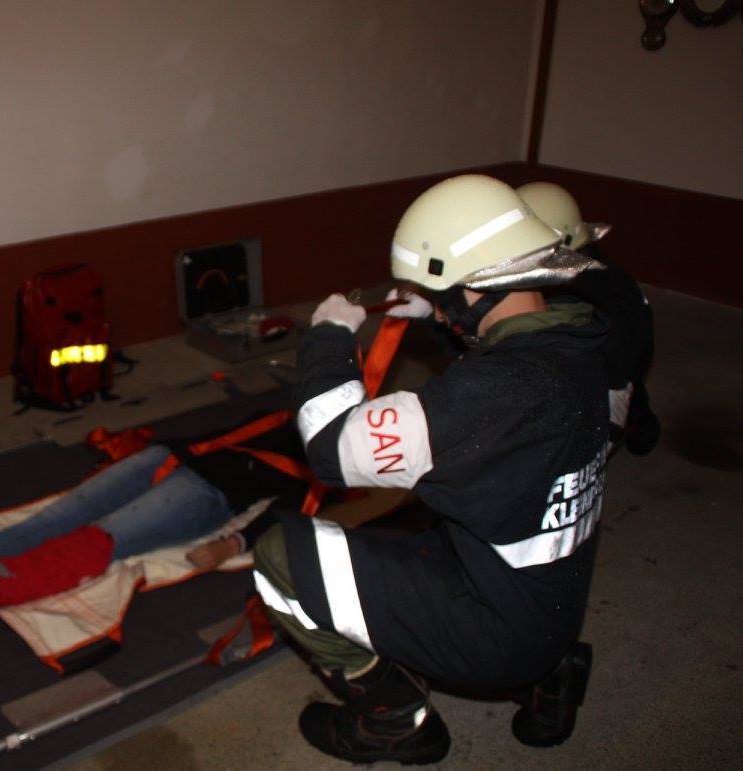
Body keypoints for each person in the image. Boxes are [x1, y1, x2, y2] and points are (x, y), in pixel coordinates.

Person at [252, 174, 611, 764]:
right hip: (551, 605)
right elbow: (507, 358)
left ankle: (397, 720)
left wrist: (328, 340)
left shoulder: (485, 402)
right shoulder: (581, 341)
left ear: (471, 288)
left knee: (279, 554)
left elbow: (329, 448)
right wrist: (440, 315)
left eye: (441, 295)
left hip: (496, 634)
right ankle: (555, 676)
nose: (439, 310)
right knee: (425, 529)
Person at [0, 415, 311, 626]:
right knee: (64, 513)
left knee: (101, 538)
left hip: (208, 496)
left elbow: (293, 509)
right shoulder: (296, 410)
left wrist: (233, 543)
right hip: (174, 457)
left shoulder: (327, 454)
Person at [516, 181, 660, 454]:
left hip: (614, 367)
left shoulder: (600, 290)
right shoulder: (575, 270)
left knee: (584, 449)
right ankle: (640, 420)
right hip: (611, 353)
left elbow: (622, 364)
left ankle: (638, 423)